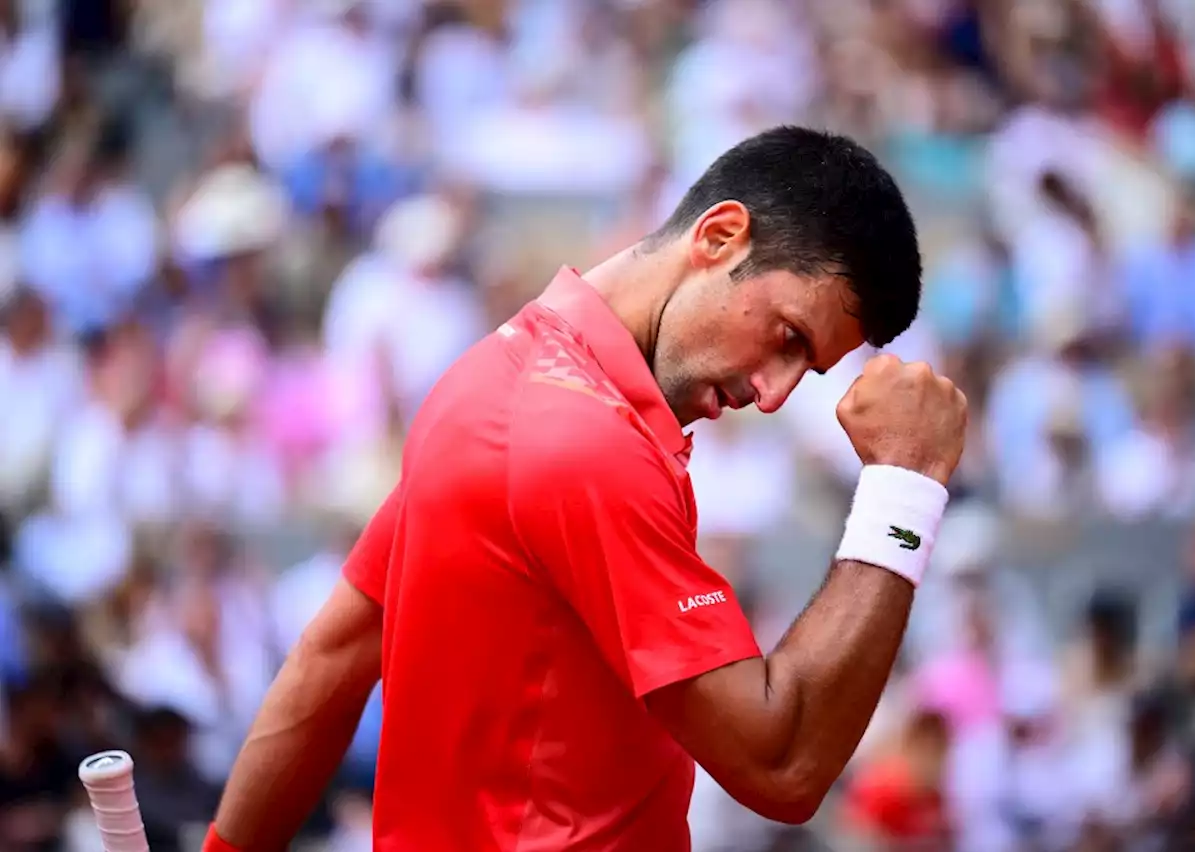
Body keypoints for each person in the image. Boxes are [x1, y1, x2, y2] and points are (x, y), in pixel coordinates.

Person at [203, 126, 968, 852]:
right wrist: (903, 484)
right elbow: (784, 766)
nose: (774, 393)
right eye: (788, 338)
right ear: (719, 235)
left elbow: (331, 657)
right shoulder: (584, 442)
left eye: (807, 371)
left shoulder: (495, 376)